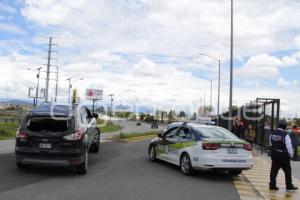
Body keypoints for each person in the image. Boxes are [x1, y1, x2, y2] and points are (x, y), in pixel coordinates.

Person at [269, 120, 298, 191]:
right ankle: (289, 186)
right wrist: (291, 155)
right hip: (283, 156)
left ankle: (272, 185)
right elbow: (289, 146)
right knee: (287, 171)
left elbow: (270, 143)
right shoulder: (285, 135)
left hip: (275, 154)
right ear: (284, 127)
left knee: (274, 170)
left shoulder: (272, 133)